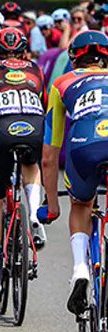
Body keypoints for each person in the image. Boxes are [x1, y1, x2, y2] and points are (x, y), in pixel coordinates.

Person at [40, 31, 108, 313]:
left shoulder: (62, 83)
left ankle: (80, 268)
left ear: (73, 60)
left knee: (80, 204)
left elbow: (49, 153)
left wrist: (52, 205)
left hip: (83, 150)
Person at [0, 27, 47, 301]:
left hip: (2, 130)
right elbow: (42, 102)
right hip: (33, 126)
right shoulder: (36, 69)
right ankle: (32, 215)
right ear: (23, 51)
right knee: (31, 164)